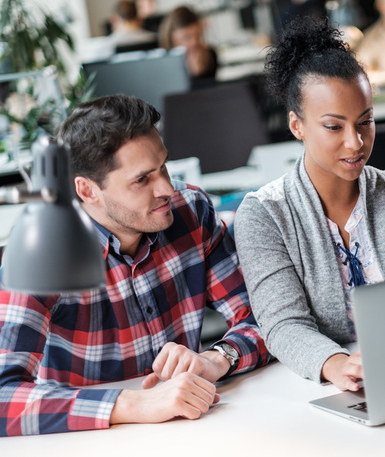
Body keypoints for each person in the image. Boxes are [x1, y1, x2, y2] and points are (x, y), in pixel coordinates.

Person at [0, 94, 271, 436]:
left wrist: (217, 359)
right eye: (143, 179)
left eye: (164, 167)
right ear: (86, 190)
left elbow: (265, 319)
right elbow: (3, 396)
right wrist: (135, 404)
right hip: (91, 441)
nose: (167, 188)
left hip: (195, 428)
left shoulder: (191, 212)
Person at [233, 18, 385, 392]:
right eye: (334, 127)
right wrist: (337, 365)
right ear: (297, 126)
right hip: (332, 388)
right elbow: (283, 324)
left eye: (365, 121)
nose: (355, 143)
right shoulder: (264, 214)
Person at [159, 6, 218, 85]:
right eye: (186, 37)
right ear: (171, 37)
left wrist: (198, 71)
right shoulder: (162, 63)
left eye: (198, 35)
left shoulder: (210, 55)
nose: (194, 42)